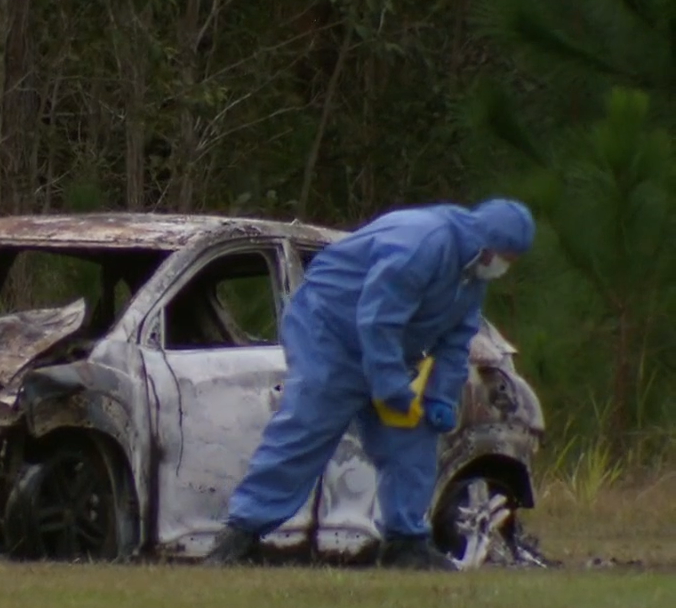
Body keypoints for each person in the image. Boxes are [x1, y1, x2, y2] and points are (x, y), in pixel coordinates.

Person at [204, 198, 535, 570]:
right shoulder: (422, 245)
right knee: (309, 425)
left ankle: (405, 542)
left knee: (413, 438)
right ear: (485, 242)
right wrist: (392, 388)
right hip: (329, 330)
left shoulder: (470, 276)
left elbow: (456, 340)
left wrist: (441, 396)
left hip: (385, 348)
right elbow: (378, 320)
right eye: (506, 255)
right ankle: (241, 533)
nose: (506, 266)